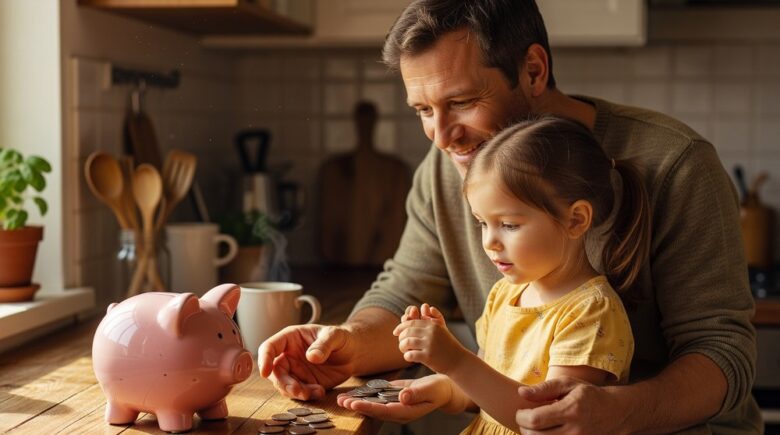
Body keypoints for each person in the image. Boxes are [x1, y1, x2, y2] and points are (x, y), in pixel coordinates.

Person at [259, 1, 760, 432]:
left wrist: (618, 413)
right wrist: (344, 344)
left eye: (460, 102)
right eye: (423, 111)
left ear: (534, 71)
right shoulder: (447, 165)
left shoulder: (675, 162)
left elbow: (723, 351)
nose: (440, 135)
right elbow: (401, 292)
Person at [383, 117, 642, 433]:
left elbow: (547, 421)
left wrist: (456, 361)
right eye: (482, 223)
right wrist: (440, 384)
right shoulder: (504, 294)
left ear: (576, 220)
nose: (489, 241)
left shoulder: (592, 312)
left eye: (508, 225)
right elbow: (480, 395)